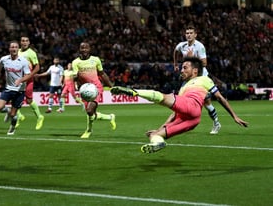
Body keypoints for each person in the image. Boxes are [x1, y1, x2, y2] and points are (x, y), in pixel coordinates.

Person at [111, 57, 249, 154]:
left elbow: (220, 98)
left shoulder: (204, 79)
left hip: (193, 106)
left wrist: (234, 116)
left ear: (195, 70)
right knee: (155, 135)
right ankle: (158, 143)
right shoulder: (183, 88)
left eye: (185, 68)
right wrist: (159, 128)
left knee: (163, 97)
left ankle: (133, 92)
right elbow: (175, 112)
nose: (181, 70)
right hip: (192, 119)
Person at [173, 25, 221, 134]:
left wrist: (192, 57)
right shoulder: (182, 45)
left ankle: (216, 123)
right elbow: (175, 51)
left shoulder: (200, 46)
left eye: (191, 33)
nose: (189, 35)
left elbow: (204, 63)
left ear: (195, 35)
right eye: (187, 33)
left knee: (207, 103)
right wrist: (175, 63)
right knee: (180, 100)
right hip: (189, 77)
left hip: (201, 77)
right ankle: (179, 123)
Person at [72, 42, 116, 138]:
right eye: (82, 48)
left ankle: (88, 131)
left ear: (89, 49)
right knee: (91, 113)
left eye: (86, 48)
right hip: (84, 89)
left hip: (95, 88)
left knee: (89, 110)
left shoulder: (95, 60)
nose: (84, 50)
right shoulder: (75, 62)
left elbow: (102, 74)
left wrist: (111, 86)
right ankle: (110, 117)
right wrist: (76, 76)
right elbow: (75, 77)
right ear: (79, 49)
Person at [0, 41, 32, 135]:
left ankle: (12, 127)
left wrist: (21, 80)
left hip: (20, 90)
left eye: (15, 47)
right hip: (8, 88)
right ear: (9, 49)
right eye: (12, 47)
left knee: (13, 115)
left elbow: (28, 75)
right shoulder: (4, 59)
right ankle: (7, 110)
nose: (14, 49)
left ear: (18, 49)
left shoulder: (23, 61)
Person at [16, 36, 44, 130]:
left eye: (26, 41)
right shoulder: (17, 52)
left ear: (29, 42)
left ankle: (40, 117)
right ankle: (19, 116)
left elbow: (37, 67)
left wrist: (30, 75)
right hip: (18, 79)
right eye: (23, 41)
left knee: (28, 100)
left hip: (28, 80)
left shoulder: (31, 53)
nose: (24, 42)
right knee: (12, 97)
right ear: (20, 42)